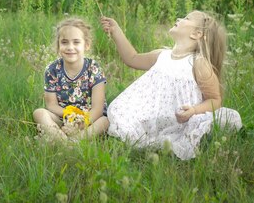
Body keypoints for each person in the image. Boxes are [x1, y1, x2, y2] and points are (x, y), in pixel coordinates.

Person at [100, 11, 242, 159]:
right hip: (152, 114)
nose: (179, 18)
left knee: (184, 133)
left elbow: (215, 100)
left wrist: (194, 110)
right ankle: (143, 133)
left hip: (179, 120)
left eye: (186, 18)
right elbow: (132, 58)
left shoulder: (199, 64)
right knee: (118, 110)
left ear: (196, 34)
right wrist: (116, 31)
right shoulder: (162, 55)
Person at [33, 18, 109, 141]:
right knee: (39, 113)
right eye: (64, 42)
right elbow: (51, 105)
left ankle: (75, 141)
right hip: (63, 117)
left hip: (89, 119)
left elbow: (98, 108)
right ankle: (61, 139)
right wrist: (69, 117)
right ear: (58, 46)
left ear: (87, 45)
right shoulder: (52, 70)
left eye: (76, 42)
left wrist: (82, 122)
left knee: (105, 121)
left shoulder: (93, 68)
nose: (70, 47)